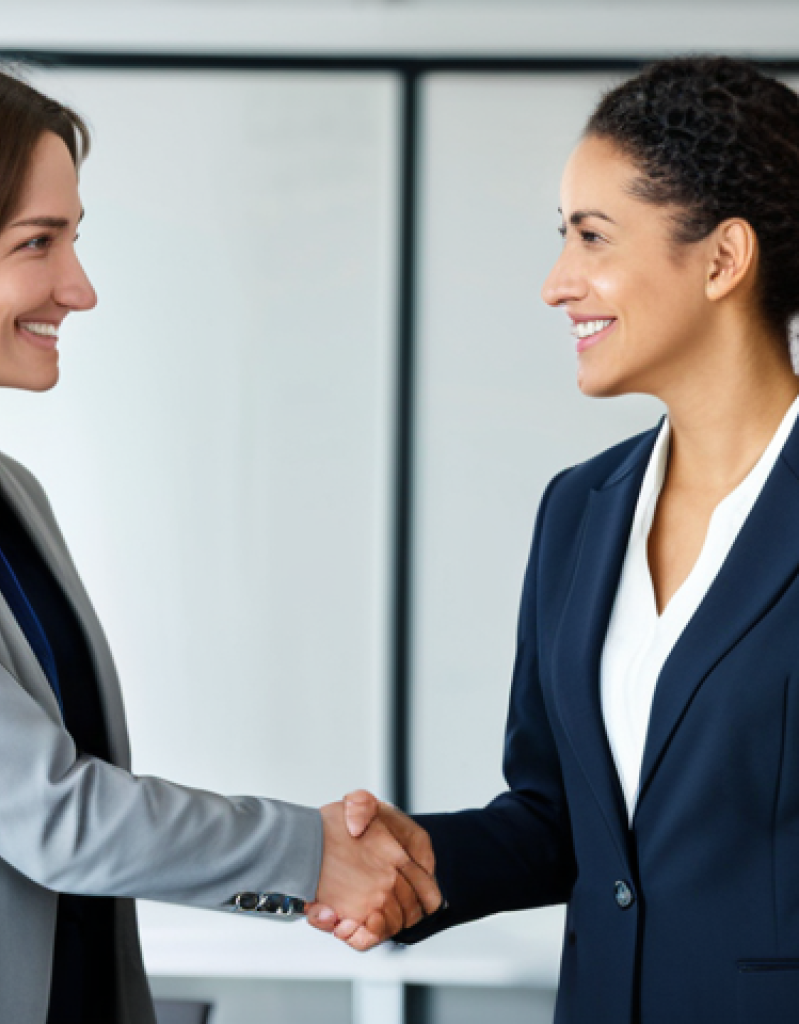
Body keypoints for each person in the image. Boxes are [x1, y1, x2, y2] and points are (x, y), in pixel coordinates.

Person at [0, 48, 440, 1024]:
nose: (78, 287)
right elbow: (49, 809)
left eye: (72, 239)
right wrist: (311, 854)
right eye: (38, 243)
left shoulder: (12, 491)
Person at [310, 55, 799, 1024]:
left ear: (720, 258)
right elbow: (560, 820)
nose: (554, 284)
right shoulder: (580, 509)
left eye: (590, 236)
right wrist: (414, 861)